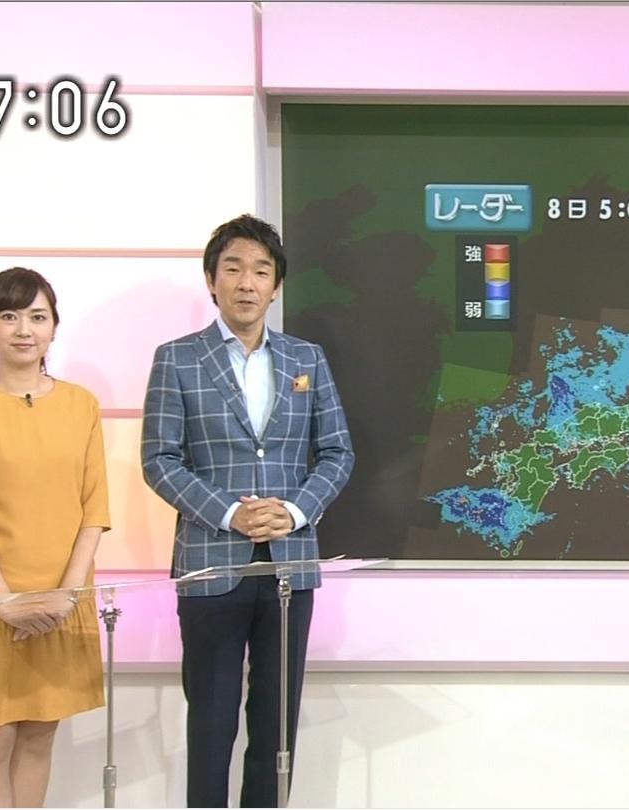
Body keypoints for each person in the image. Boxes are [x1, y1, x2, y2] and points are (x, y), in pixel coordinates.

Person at [141, 214, 354, 807]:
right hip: (211, 564)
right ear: (211, 280)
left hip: (290, 567)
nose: (246, 282)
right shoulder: (178, 359)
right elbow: (159, 459)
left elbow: (337, 452)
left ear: (276, 286)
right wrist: (229, 513)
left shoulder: (306, 358)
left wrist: (296, 510)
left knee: (276, 726)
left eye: (261, 271)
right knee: (211, 723)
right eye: (233, 268)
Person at [0, 268, 111, 807]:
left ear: (54, 326)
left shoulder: (81, 404)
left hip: (60, 602)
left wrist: (67, 596)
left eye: (37, 316)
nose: (24, 329)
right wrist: (5, 602)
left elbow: (94, 510)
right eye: (9, 316)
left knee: (38, 735)